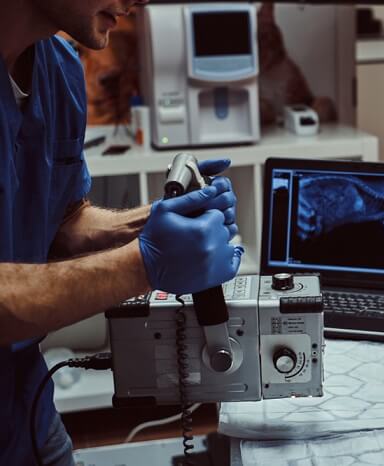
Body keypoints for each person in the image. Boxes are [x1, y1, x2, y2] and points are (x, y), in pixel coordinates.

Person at [0, 1, 243, 465]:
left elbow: (62, 219)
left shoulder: (59, 68)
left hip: (24, 406)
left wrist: (154, 220)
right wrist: (144, 264)